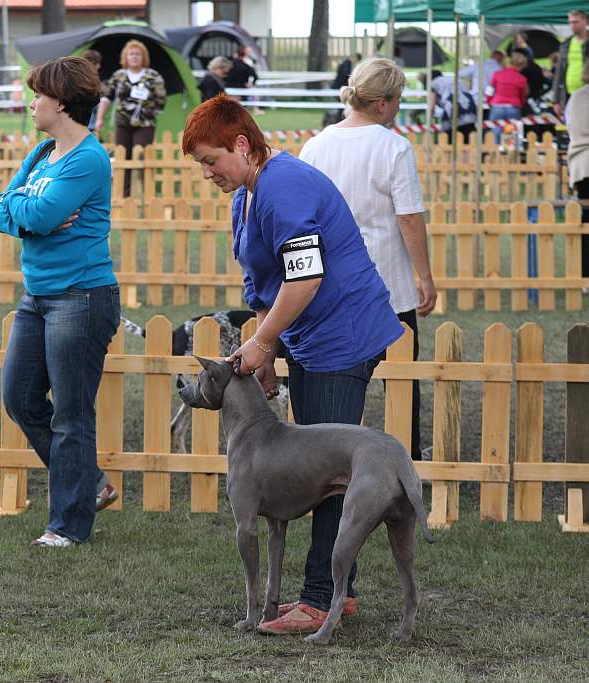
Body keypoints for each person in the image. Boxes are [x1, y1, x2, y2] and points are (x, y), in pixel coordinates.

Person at [182, 94, 403, 635]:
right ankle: (338, 593)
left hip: (343, 335)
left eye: (211, 160)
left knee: (330, 469)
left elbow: (305, 277)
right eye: (202, 165)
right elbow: (265, 283)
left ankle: (321, 599)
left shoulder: (284, 186)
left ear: (241, 144)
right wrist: (268, 349)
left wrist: (262, 341)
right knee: (320, 463)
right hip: (307, 337)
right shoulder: (246, 195)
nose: (208, 173)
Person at [0, 56, 121, 548]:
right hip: (39, 295)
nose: (32, 103)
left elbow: (37, 214)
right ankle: (90, 484)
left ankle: (67, 525)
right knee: (19, 398)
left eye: (39, 95)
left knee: (71, 414)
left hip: (81, 297)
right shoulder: (44, 151)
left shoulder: (88, 158)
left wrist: (26, 211)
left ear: (62, 103)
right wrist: (26, 212)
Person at [299, 57, 437, 461]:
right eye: (398, 99)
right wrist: (425, 276)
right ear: (382, 103)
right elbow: (408, 217)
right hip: (388, 288)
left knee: (332, 385)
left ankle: (330, 461)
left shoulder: (315, 145)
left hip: (330, 287)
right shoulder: (394, 147)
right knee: (401, 383)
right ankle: (407, 458)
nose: (399, 106)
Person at [96, 40, 167, 196]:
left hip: (145, 124)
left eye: (138, 54)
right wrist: (99, 119)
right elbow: (106, 98)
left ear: (143, 57)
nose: (134, 57)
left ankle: (144, 193)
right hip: (122, 123)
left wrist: (146, 109)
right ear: (125, 57)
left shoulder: (153, 76)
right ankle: (125, 194)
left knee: (141, 155)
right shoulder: (119, 76)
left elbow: (161, 101)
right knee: (123, 157)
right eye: (131, 54)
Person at [565, 61, 589, 285]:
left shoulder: (576, 97)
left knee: (585, 224)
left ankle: (585, 275)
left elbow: (569, 126)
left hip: (583, 165)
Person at [424, 70, 478, 143]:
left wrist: (430, 114)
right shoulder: (457, 80)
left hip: (453, 109)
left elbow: (432, 102)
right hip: (470, 109)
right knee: (469, 136)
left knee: (446, 137)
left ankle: (441, 147)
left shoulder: (434, 84)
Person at [554, 10, 589, 117]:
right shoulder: (566, 43)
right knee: (571, 124)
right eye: (570, 22)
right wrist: (556, 100)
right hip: (568, 93)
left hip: (586, 91)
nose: (572, 25)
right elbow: (559, 72)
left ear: (585, 21)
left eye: (576, 22)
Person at [488, 52, 529, 143]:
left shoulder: (497, 74)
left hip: (497, 106)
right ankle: (511, 150)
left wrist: (489, 101)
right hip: (513, 107)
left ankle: (496, 149)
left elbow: (490, 90)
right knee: (512, 135)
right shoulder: (522, 78)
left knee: (496, 133)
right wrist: (520, 104)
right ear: (522, 65)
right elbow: (523, 96)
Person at [82, 49, 104, 134]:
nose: (99, 66)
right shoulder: (86, 81)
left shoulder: (93, 80)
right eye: (96, 63)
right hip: (88, 126)